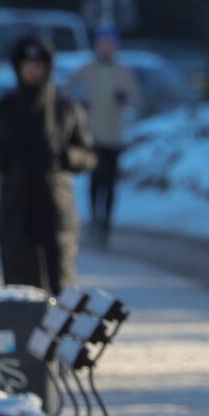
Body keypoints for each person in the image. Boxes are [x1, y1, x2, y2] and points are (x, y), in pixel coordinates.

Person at [0, 35, 97, 292]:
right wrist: (5, 160)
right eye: (26, 65)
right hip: (16, 215)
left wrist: (65, 157)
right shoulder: (2, 111)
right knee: (22, 296)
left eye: (37, 65)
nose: (32, 71)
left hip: (56, 213)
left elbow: (89, 155)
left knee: (62, 293)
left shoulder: (66, 110)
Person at [65, 26, 142, 249]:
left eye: (110, 43)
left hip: (115, 137)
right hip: (92, 136)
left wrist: (124, 99)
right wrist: (79, 105)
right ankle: (94, 222)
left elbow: (137, 99)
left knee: (109, 184)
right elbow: (67, 88)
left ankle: (105, 225)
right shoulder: (87, 70)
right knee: (95, 182)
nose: (106, 47)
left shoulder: (123, 72)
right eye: (103, 42)